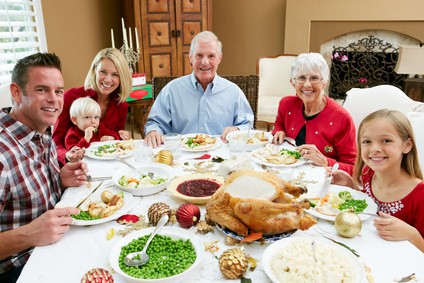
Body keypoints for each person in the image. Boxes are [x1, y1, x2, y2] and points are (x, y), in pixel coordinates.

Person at [0, 53, 89, 282]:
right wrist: (30, 234)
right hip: (19, 267)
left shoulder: (41, 128)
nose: (54, 100)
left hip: (55, 243)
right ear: (16, 92)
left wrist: (59, 179)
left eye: (58, 91)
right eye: (42, 90)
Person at [332, 109, 424, 252]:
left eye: (386, 141)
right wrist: (352, 186)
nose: (375, 149)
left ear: (407, 145)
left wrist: (412, 235)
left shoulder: (420, 195)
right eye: (367, 141)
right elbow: (369, 208)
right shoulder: (368, 174)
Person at [144, 31, 254, 148]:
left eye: (211, 56)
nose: (204, 62)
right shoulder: (171, 90)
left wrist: (237, 129)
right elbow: (155, 123)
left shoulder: (233, 92)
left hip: (222, 158)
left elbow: (248, 126)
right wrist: (153, 131)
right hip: (181, 158)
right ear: (190, 58)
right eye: (199, 55)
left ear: (219, 58)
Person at [272, 52, 356, 175]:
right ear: (292, 82)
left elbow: (354, 168)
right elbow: (279, 124)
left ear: (325, 82)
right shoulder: (286, 104)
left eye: (314, 78)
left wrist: (325, 161)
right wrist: (279, 130)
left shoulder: (342, 118)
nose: (307, 84)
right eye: (301, 78)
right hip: (285, 171)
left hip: (322, 180)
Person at [53, 48, 133, 165]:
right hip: (73, 164)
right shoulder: (70, 98)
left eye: (115, 74)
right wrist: (67, 155)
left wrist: (120, 137)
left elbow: (114, 140)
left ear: (122, 78)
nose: (108, 79)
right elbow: (56, 141)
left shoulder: (121, 105)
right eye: (103, 72)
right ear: (94, 70)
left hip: (106, 163)